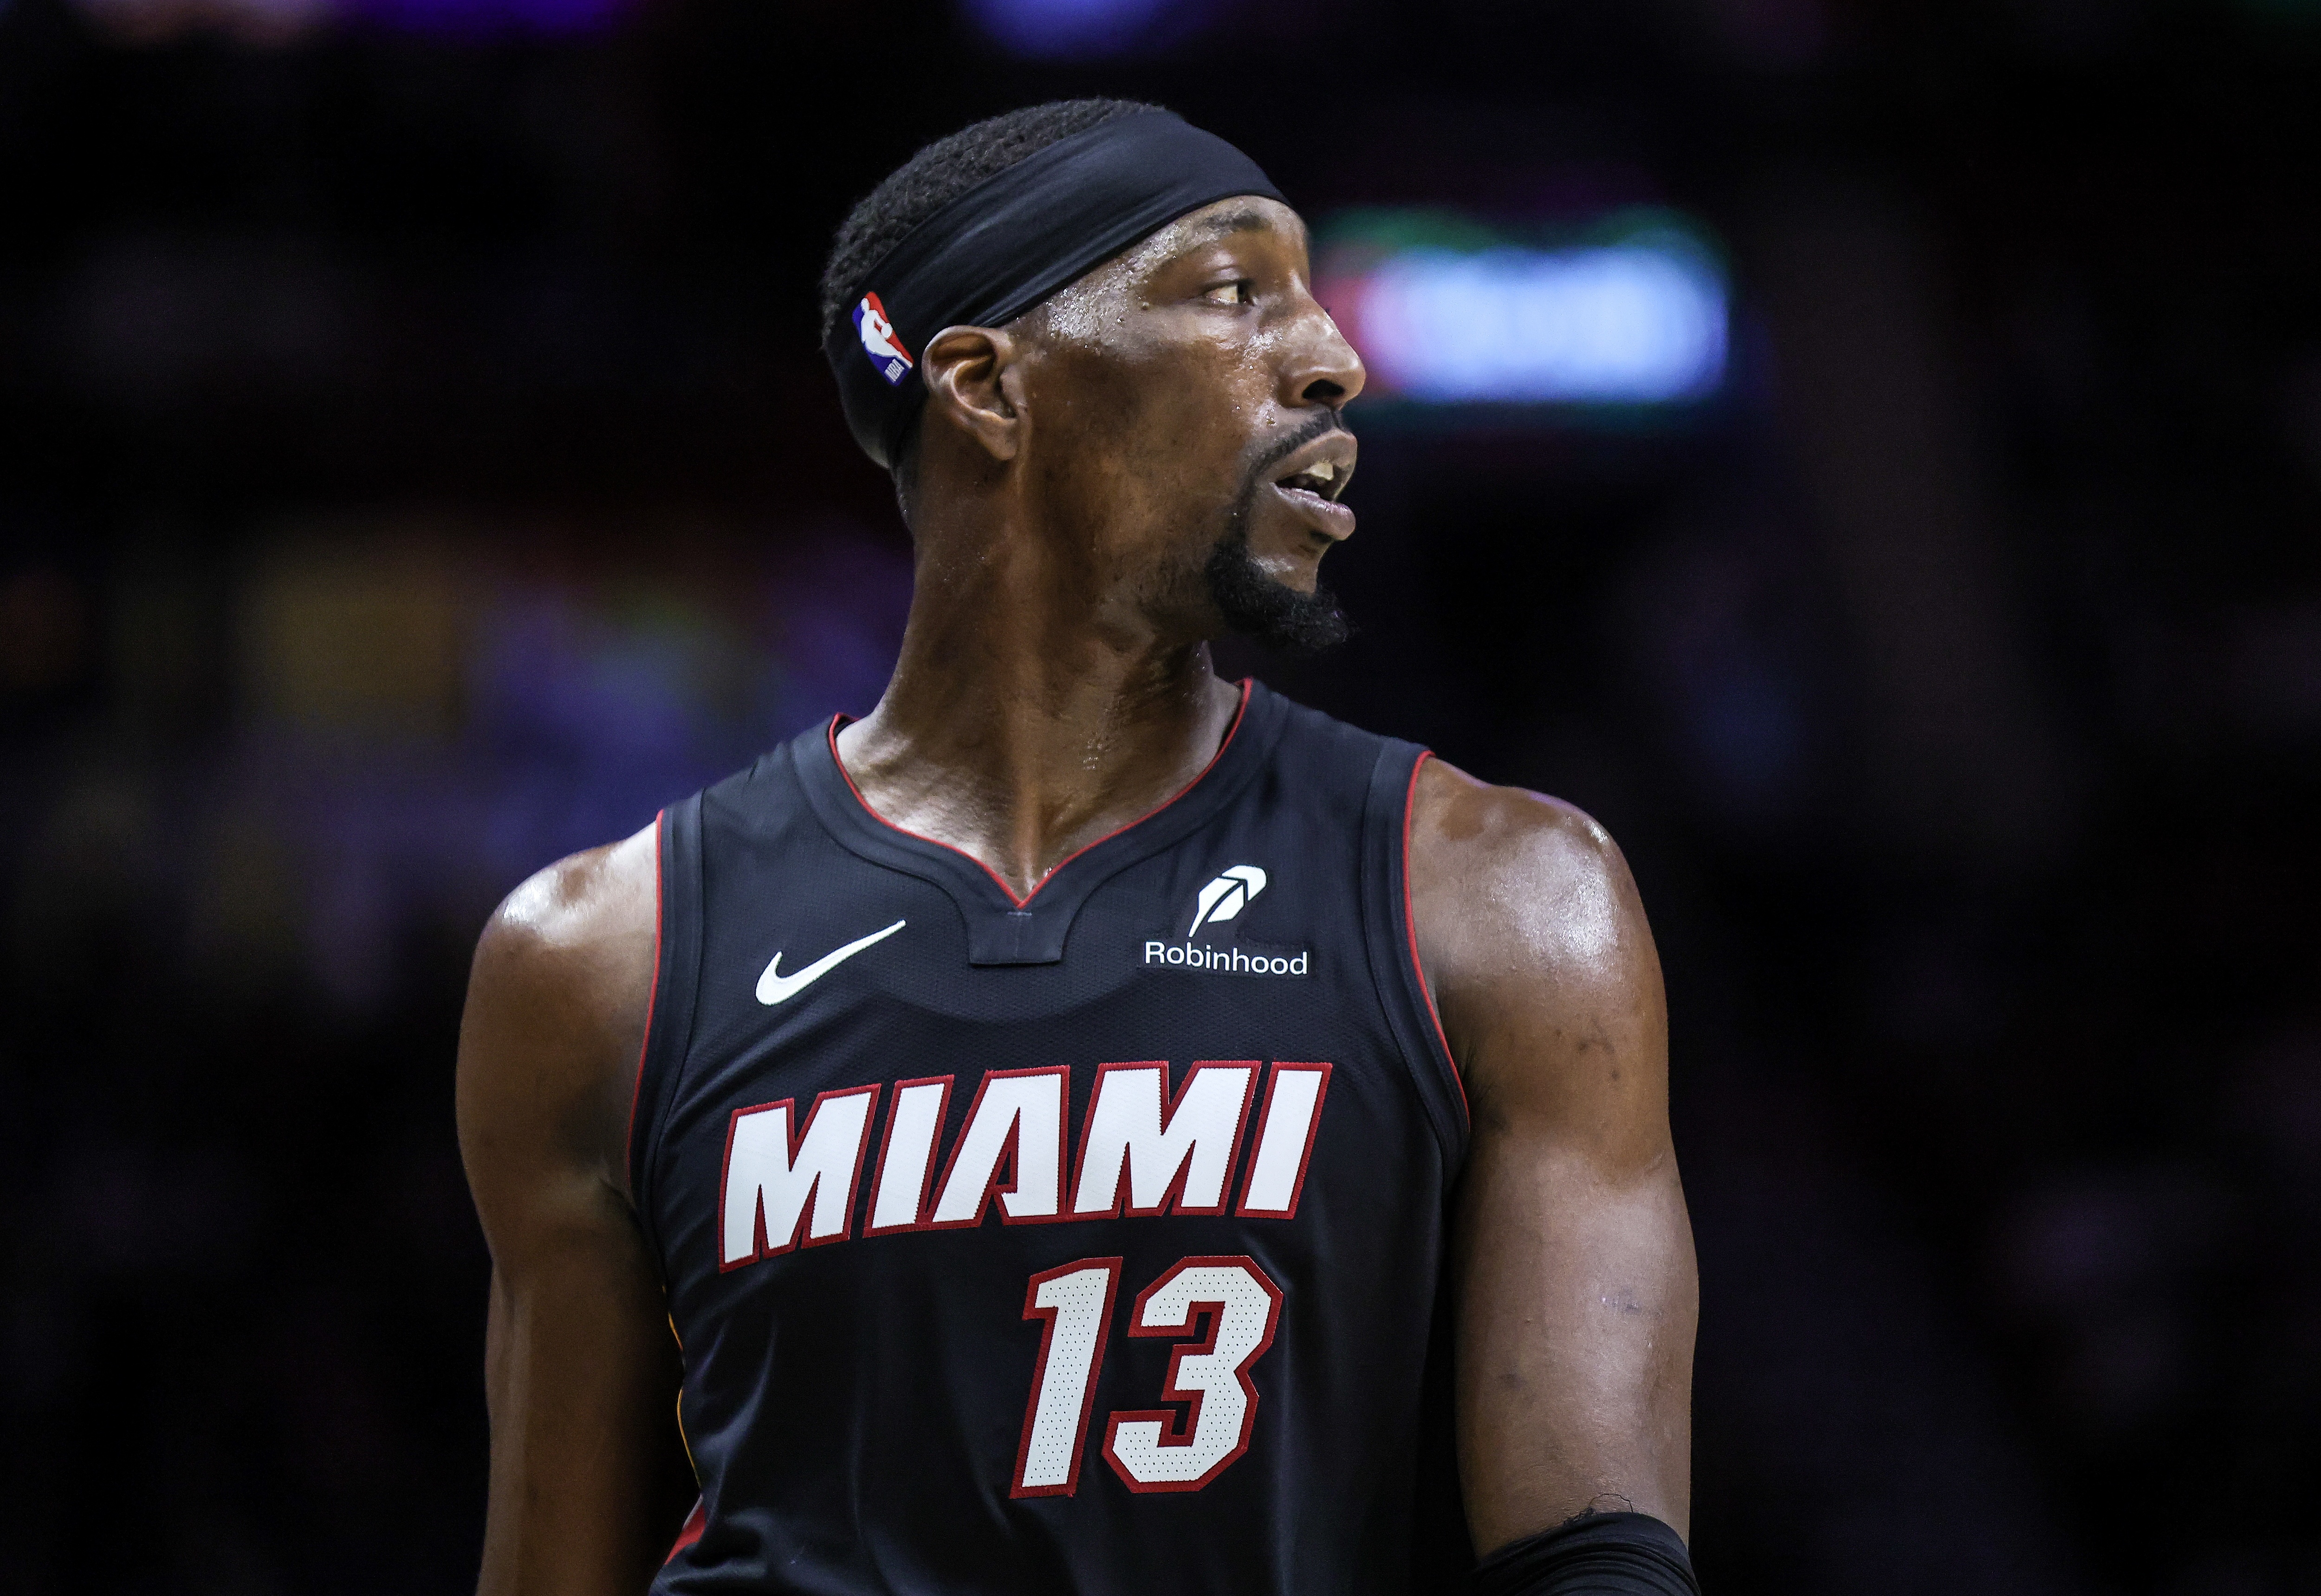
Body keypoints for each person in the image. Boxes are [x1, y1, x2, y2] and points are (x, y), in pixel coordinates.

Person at [455, 100, 1699, 1596]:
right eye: (1236, 292)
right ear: (988, 386)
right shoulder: (604, 955)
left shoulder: (1506, 898)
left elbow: (1598, 1559)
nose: (1334, 356)